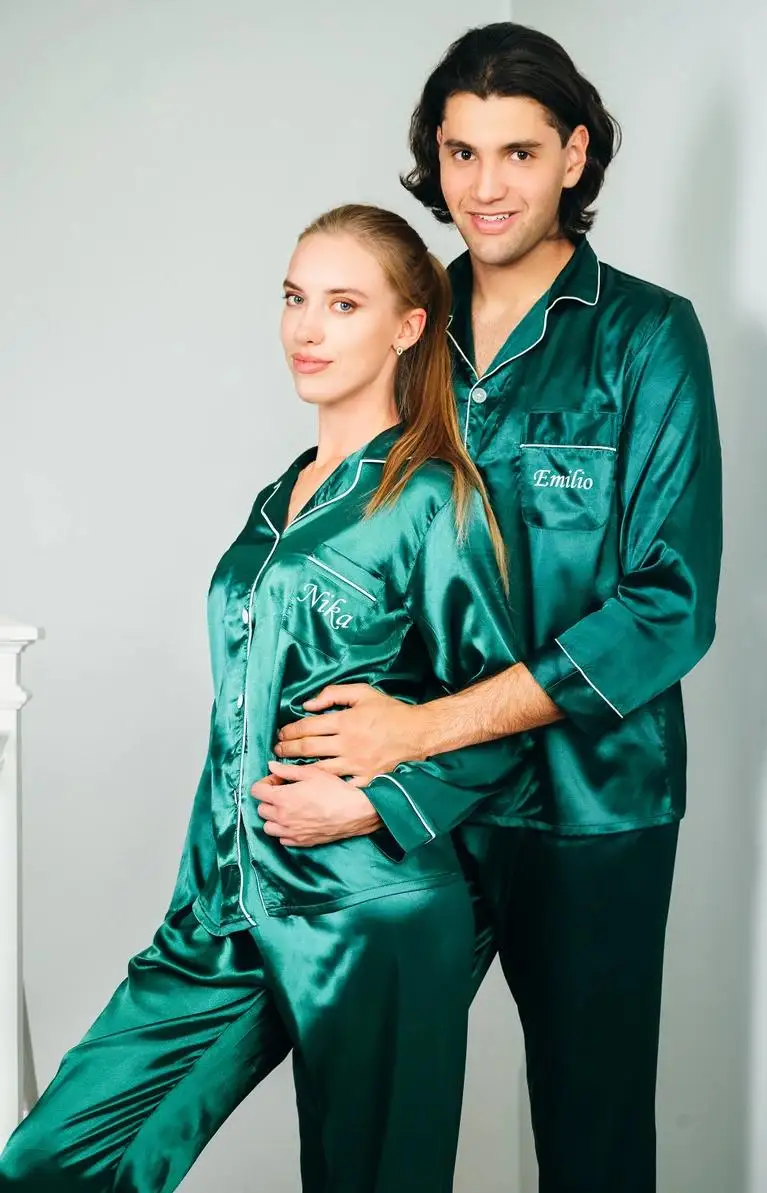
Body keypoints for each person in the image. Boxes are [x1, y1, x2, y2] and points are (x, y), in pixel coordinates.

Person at [0, 204, 538, 1193]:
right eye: (295, 299)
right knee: (49, 1162)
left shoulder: (433, 500)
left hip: (369, 908)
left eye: (342, 304)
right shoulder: (277, 498)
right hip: (221, 907)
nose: (307, 328)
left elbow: (503, 723)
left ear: (408, 325)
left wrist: (371, 802)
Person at [270, 24, 723, 1193]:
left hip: (592, 808)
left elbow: (667, 605)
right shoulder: (404, 329)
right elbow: (349, 550)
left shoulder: (646, 338)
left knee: (591, 1139)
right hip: (415, 807)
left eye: (517, 153)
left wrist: (423, 726)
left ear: (573, 155)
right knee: (366, 1121)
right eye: (459, 152)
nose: (483, 186)